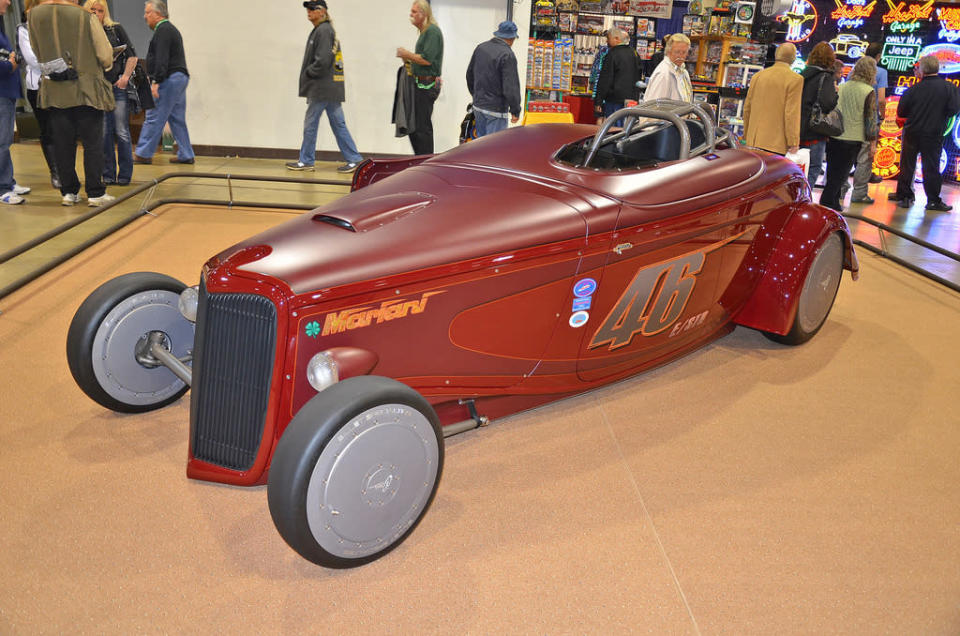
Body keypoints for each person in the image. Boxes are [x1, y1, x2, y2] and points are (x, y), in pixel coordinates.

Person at [29, 0, 115, 207]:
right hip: (86, 90)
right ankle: (95, 192)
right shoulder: (85, 16)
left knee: (62, 145)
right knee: (92, 144)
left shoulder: (34, 15)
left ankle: (69, 192)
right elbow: (104, 54)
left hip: (55, 91)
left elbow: (35, 48)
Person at [286, 0, 363, 173]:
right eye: (308, 8)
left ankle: (306, 161)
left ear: (323, 12)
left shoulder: (324, 31)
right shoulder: (322, 30)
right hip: (328, 87)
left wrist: (308, 73)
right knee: (338, 123)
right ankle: (354, 158)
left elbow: (322, 61)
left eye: (313, 9)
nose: (309, 11)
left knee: (311, 123)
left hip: (322, 88)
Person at [890, 55, 960, 211]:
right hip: (934, 133)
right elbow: (954, 110)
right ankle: (933, 200)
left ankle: (905, 197)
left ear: (921, 70)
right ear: (938, 68)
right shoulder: (949, 88)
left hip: (912, 131)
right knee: (932, 166)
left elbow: (902, 111)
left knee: (907, 165)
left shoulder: (913, 90)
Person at [133, 0, 194, 165]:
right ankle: (186, 153)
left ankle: (144, 153)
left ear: (157, 14)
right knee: (176, 118)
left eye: (147, 13)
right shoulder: (170, 30)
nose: (145, 17)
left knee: (154, 115)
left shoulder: (163, 30)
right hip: (180, 78)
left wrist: (156, 81)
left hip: (169, 79)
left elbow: (161, 58)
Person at [85, 0, 137, 185]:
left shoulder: (115, 29)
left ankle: (125, 174)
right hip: (97, 88)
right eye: (93, 10)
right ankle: (108, 173)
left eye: (100, 10)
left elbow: (132, 55)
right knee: (104, 133)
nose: (97, 13)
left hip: (117, 86)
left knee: (121, 131)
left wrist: (124, 78)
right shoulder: (83, 32)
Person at [820, 56, 876, 212]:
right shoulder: (868, 91)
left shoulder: (843, 86)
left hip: (836, 134)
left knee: (832, 172)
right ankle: (827, 203)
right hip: (854, 137)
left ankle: (833, 203)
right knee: (842, 174)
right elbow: (870, 119)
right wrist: (873, 142)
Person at [18, 0, 57, 190]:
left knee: (64, 130)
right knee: (48, 130)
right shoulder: (24, 29)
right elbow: (33, 60)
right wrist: (59, 66)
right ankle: (55, 172)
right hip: (39, 86)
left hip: (61, 84)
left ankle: (67, 170)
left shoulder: (56, 25)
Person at [397, 0, 443, 155]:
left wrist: (407, 54)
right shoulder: (426, 32)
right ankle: (421, 160)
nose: (411, 14)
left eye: (415, 11)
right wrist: (409, 60)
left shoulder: (432, 32)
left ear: (424, 14)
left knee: (422, 128)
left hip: (425, 86)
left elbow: (427, 59)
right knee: (415, 127)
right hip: (420, 85)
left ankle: (424, 162)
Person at [742, 42, 801, 155]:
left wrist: (746, 134)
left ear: (776, 55)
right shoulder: (795, 79)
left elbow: (747, 108)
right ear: (793, 58)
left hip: (753, 140)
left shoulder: (758, 76)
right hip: (775, 144)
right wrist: (793, 141)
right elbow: (791, 113)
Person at [465, 20, 520, 138]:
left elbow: (469, 75)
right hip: (496, 110)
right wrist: (515, 110)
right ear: (512, 38)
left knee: (480, 147)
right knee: (494, 150)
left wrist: (476, 96)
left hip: (478, 106)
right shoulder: (507, 55)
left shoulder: (481, 48)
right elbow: (510, 87)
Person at [0, 0, 29, 205]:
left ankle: (8, 181)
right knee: (1, 141)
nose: (9, 2)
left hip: (7, 91)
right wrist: (10, 63)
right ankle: (3, 188)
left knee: (5, 140)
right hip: (1, 92)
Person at [798, 42, 838, 187]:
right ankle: (803, 200)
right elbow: (828, 103)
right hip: (814, 130)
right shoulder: (826, 77)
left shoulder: (801, 75)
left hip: (797, 128)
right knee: (813, 168)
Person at [593, 27, 640, 123]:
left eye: (608, 38)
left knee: (614, 129)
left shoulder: (612, 54)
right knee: (627, 128)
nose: (607, 41)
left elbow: (605, 79)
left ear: (617, 39)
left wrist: (598, 100)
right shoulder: (634, 53)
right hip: (632, 99)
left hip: (614, 99)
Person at [643, 33, 692, 103]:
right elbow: (653, 107)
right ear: (668, 51)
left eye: (684, 52)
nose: (681, 56)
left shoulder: (683, 72)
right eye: (677, 52)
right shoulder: (663, 74)